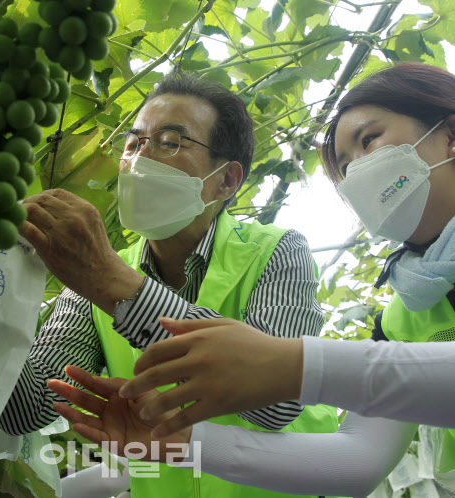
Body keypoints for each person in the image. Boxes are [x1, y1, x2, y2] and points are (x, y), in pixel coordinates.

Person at [48, 62, 455, 496]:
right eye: (344, 166)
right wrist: (182, 443)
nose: (356, 173)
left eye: (369, 140)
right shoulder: (407, 315)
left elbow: (280, 406)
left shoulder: (275, 250)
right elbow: (356, 461)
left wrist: (292, 365)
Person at [0, 72, 340, 498]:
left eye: (170, 141)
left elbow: (279, 402)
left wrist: (109, 281)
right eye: (134, 142)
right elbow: (27, 409)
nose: (140, 159)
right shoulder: (99, 278)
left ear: (227, 181)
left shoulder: (277, 251)